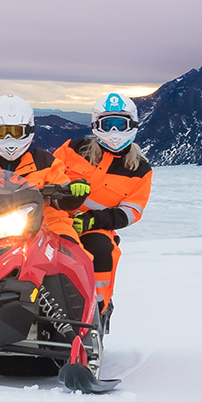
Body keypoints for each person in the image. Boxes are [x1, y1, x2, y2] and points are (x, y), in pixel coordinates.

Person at [54, 93, 153, 318]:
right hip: (53, 217)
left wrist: (94, 220)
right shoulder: (73, 148)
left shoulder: (139, 169)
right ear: (96, 125)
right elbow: (48, 175)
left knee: (100, 251)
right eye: (107, 125)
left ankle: (97, 311)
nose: (114, 132)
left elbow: (131, 211)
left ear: (132, 125)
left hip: (95, 227)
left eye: (121, 125)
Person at [0, 94, 88, 241]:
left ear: (28, 131)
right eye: (2, 132)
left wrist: (73, 192)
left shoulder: (46, 162)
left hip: (46, 223)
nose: (10, 138)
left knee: (70, 252)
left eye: (16, 132)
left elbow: (63, 200)